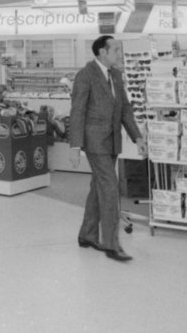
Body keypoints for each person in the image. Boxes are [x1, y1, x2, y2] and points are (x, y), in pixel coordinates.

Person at [68, 35, 147, 262]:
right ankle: (111, 244)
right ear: (103, 52)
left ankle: (87, 234)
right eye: (117, 50)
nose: (120, 54)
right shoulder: (86, 75)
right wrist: (75, 145)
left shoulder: (116, 75)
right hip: (94, 142)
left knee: (98, 187)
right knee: (110, 188)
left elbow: (125, 110)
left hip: (112, 141)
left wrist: (137, 137)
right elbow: (78, 111)